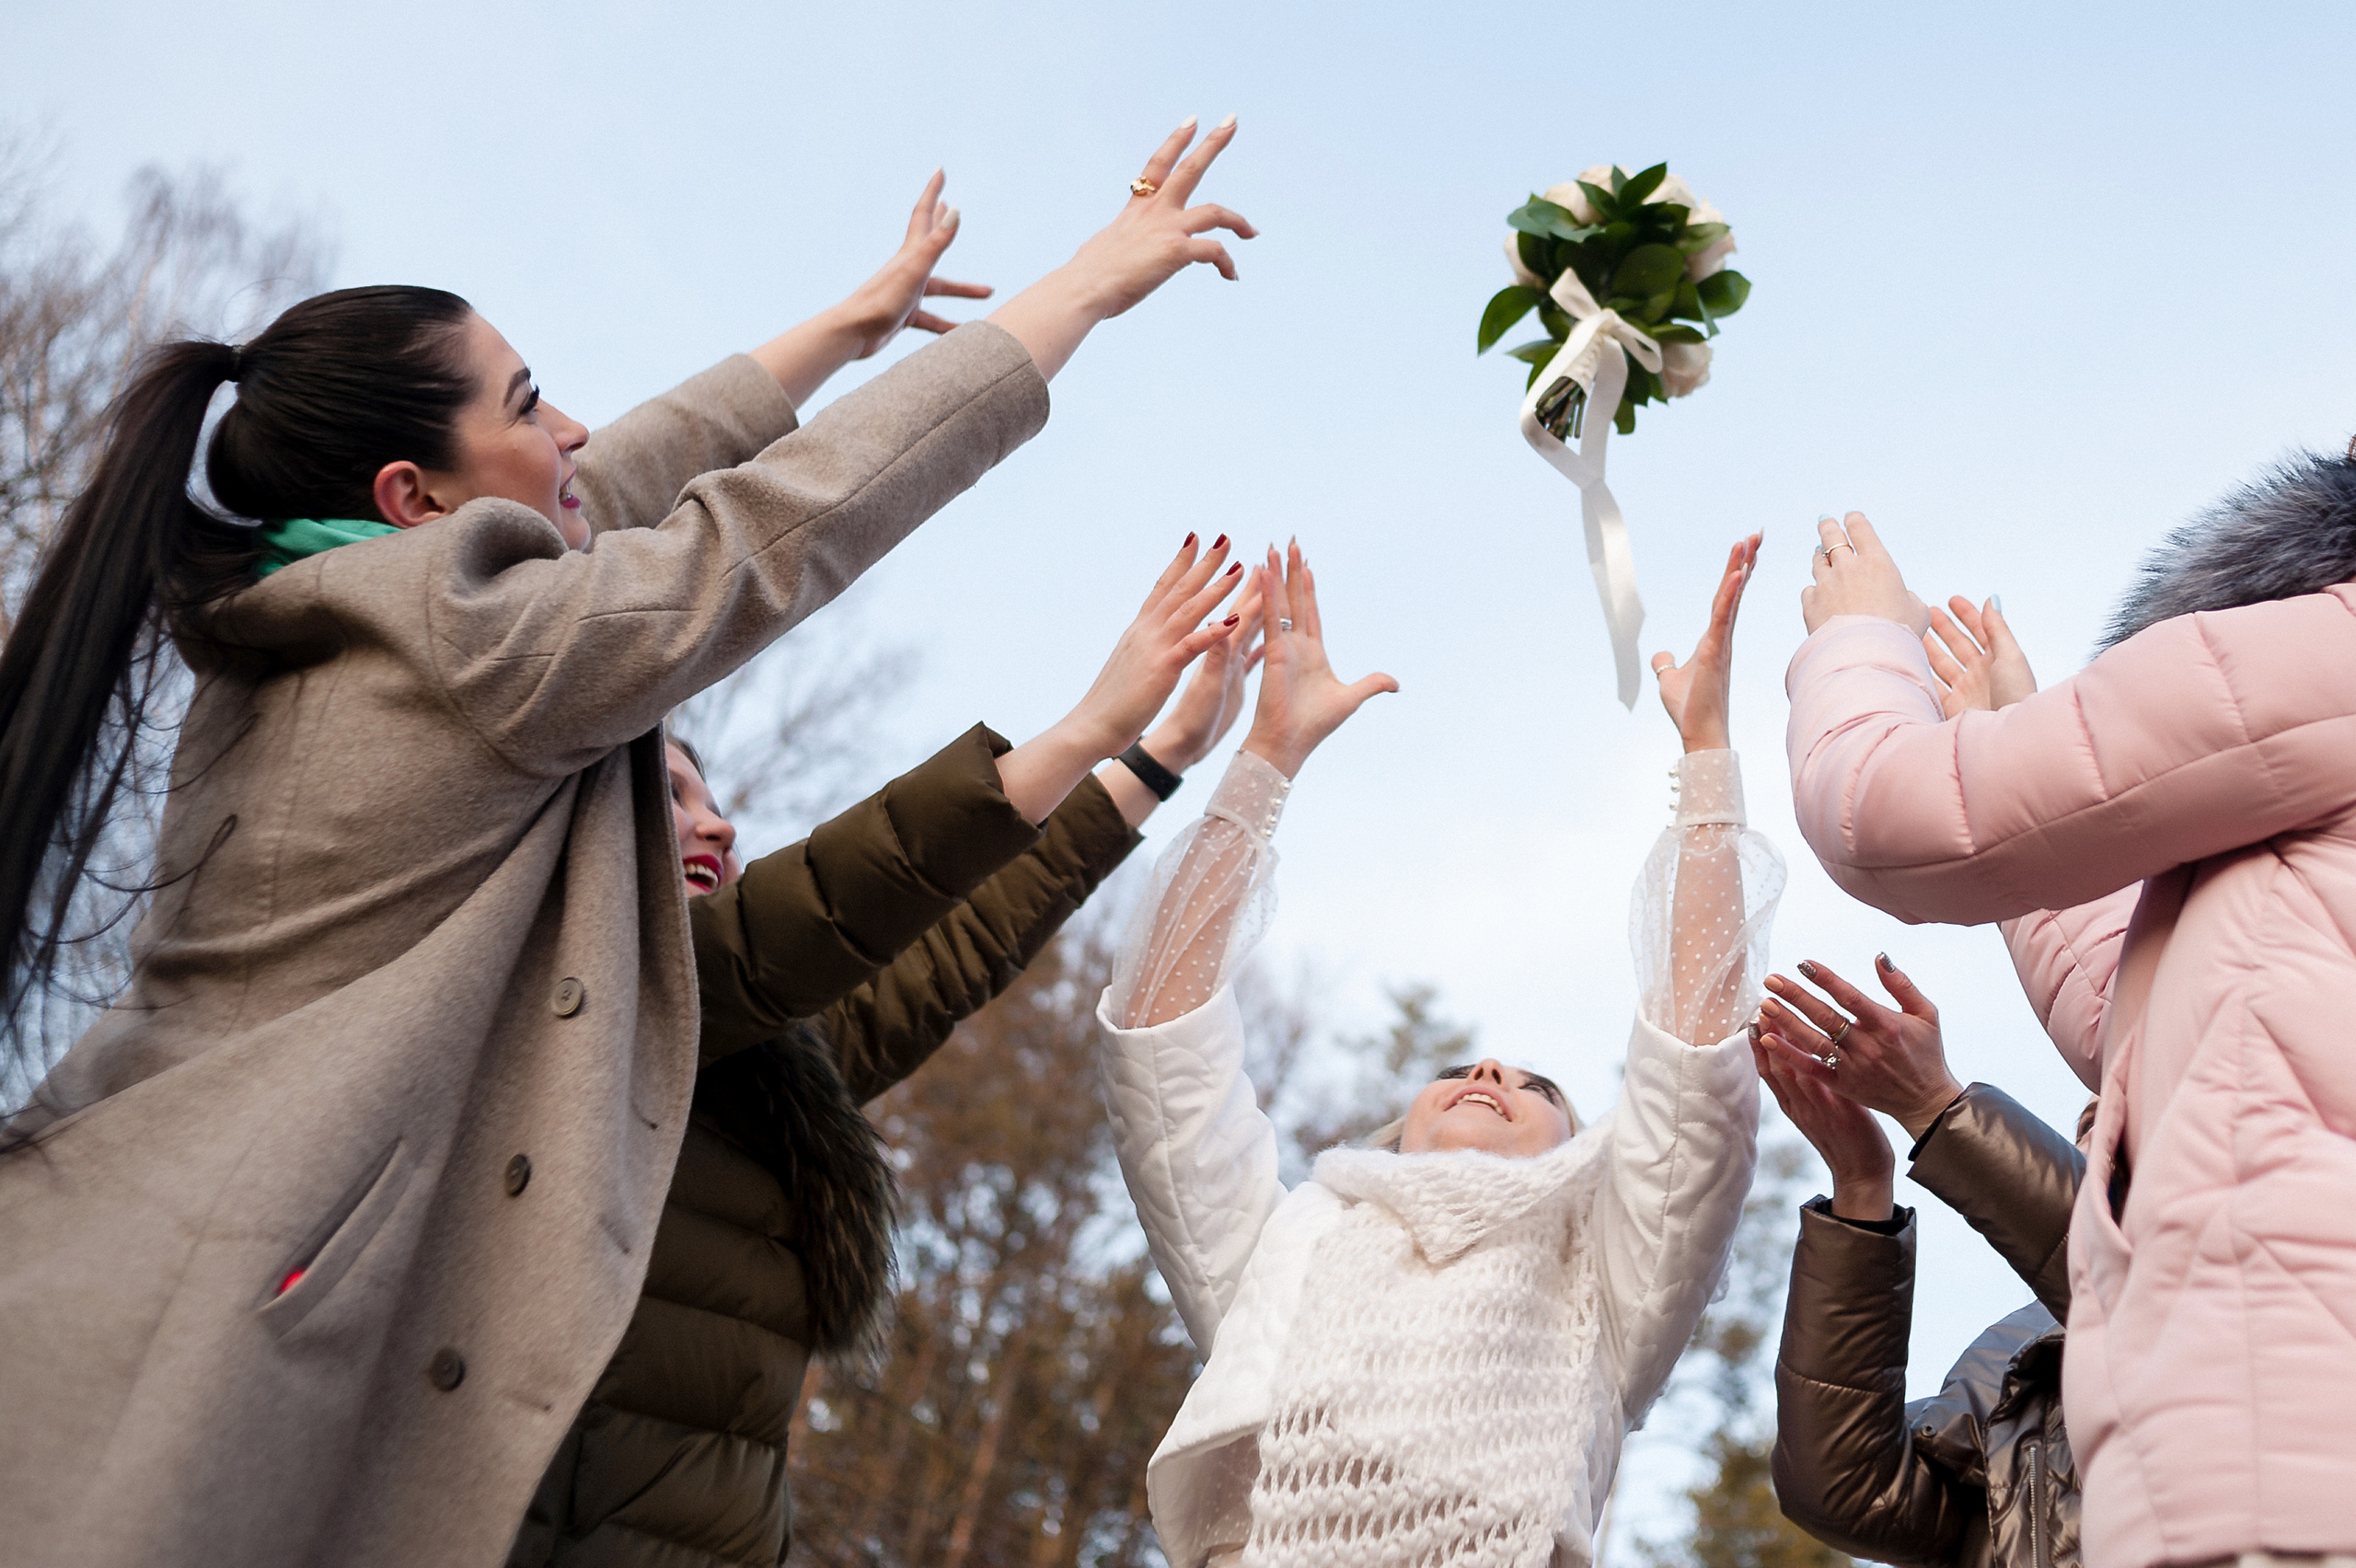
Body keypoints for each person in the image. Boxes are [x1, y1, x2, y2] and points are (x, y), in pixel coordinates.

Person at [0, 121, 1254, 1568]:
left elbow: (617, 479)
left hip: (123, 1227)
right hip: (224, 1311)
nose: (575, 429)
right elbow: (779, 526)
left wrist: (840, 329)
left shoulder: (325, 627)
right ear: (413, 500)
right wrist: (1084, 288)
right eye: (530, 404)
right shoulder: (481, 659)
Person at [511, 546, 1266, 1567]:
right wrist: (1093, 725)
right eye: (672, 796)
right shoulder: (559, 1005)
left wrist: (1160, 755)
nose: (718, 823)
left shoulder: (766, 1060)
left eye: (712, 798)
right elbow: (841, 900)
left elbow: (953, 949)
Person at [1095, 537, 1783, 1568]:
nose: (1490, 1074)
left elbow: (1693, 1077)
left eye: (1533, 1084)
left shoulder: (1603, 1279)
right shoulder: (1296, 1241)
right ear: (1398, 1131)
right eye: (1462, 1071)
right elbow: (1160, 1039)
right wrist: (1264, 762)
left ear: (1580, 1153)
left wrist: (1707, 763)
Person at [1784, 469, 2356, 1567]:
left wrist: (1858, 642)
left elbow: (1894, 812)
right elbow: (2161, 1033)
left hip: (2287, 1441)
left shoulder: (2322, 645)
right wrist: (2015, 728)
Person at [1752, 951, 2085, 1568]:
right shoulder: (2014, 1357)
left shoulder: (2291, 1272)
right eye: (2085, 1150)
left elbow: (2148, 1280)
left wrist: (1931, 1102)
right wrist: (1859, 1186)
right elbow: (1851, 1494)